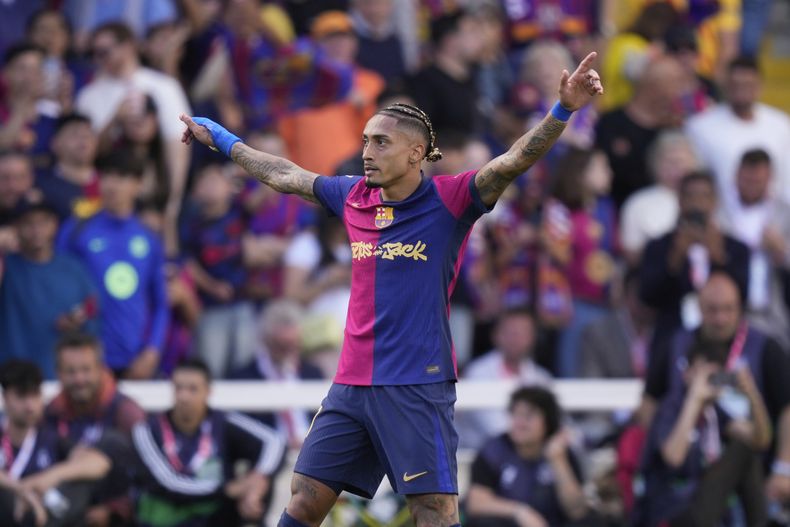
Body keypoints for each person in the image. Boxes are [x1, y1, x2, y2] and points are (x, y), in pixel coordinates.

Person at [180, 49, 603, 527]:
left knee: (434, 512)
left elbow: (513, 160)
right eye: (364, 141)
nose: (366, 152)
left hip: (417, 385)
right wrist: (221, 138)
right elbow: (284, 174)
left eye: (381, 143)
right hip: (351, 385)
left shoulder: (453, 199)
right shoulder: (353, 196)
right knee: (304, 500)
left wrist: (563, 109)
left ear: (415, 153)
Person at [131, 358, 285, 527]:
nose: (184, 397)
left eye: (193, 389)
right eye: (178, 388)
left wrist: (258, 480)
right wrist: (225, 490)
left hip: (214, 518)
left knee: (261, 484)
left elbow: (274, 441)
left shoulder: (223, 422)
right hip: (165, 520)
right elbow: (169, 483)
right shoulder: (146, 430)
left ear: (208, 391)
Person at [57, 151, 169, 379]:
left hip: (135, 360)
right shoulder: (77, 230)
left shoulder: (148, 238)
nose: (112, 184)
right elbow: (58, 284)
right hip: (86, 361)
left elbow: (161, 302)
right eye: (107, 175)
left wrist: (152, 351)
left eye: (122, 177)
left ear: (138, 185)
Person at [638, 344, 771, 526]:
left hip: (706, 508)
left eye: (715, 376)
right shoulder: (671, 406)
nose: (708, 382)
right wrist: (695, 399)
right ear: (686, 373)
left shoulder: (716, 413)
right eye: (703, 375)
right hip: (671, 509)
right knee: (742, 450)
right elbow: (673, 457)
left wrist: (752, 394)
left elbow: (760, 440)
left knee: (746, 451)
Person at [44, 332, 146, 526]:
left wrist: (115, 509)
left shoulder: (126, 412)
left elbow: (147, 475)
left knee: (111, 441)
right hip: (66, 511)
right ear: (58, 373)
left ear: (101, 369)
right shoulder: (51, 414)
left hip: (116, 518)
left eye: (86, 369)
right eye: (71, 371)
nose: (79, 379)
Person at [0, 360, 115, 527]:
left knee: (78, 486)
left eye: (35, 395)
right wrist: (20, 490)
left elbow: (99, 463)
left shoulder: (50, 438)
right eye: (21, 396)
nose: (30, 406)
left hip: (43, 520)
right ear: (4, 397)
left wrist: (49, 477)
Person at [639, 171, 750, 337]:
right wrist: (675, 258)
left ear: (715, 201)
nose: (697, 204)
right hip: (672, 335)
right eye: (691, 196)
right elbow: (648, 296)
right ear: (680, 200)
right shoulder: (659, 246)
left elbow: (743, 296)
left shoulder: (735, 248)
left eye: (704, 196)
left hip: (723, 336)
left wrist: (719, 257)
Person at [0, 199, 97, 379]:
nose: (36, 230)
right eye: (28, 223)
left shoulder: (74, 268)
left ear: (55, 224)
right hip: (12, 380)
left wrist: (77, 321)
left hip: (63, 380)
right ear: (16, 227)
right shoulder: (7, 266)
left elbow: (92, 310)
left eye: (43, 222)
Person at [465, 386, 588, 527]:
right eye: (516, 415)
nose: (520, 423)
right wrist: (520, 512)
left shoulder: (563, 453)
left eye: (528, 416)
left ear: (548, 421)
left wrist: (558, 461)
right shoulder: (494, 451)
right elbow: (476, 503)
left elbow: (577, 511)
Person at [230, 300, 324, 448]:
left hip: (312, 454)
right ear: (266, 341)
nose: (289, 352)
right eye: (281, 346)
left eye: (294, 345)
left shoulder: (312, 373)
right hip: (272, 455)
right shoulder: (243, 377)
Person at [460, 308, 552, 449]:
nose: (516, 338)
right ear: (496, 335)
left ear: (533, 338)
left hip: (530, 455)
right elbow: (495, 429)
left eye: (523, 333)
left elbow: (558, 423)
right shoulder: (477, 373)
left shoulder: (541, 377)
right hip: (478, 460)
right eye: (511, 332)